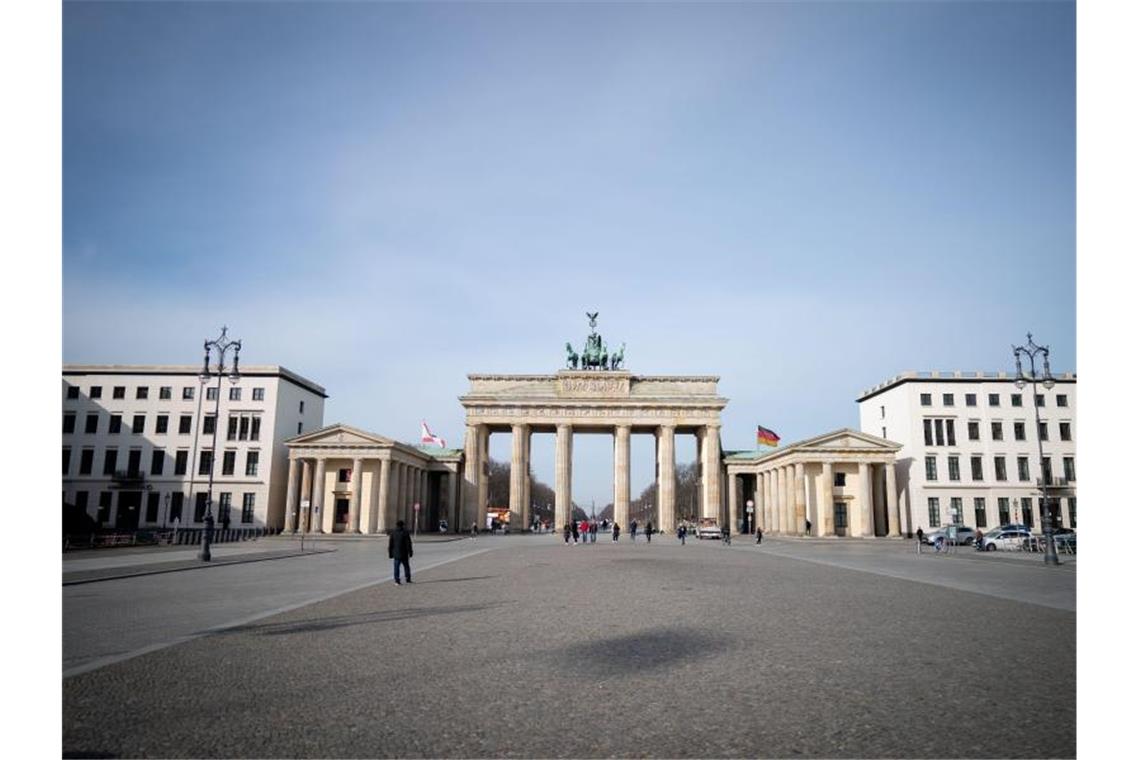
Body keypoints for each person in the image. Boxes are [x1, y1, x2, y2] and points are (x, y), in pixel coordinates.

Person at [388, 519, 413, 585]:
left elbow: (391, 544)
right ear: (403, 525)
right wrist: (410, 552)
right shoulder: (405, 532)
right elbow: (408, 544)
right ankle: (408, 579)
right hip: (404, 553)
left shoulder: (393, 533)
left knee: (396, 568)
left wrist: (390, 554)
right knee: (406, 567)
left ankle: (397, 580)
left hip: (396, 554)